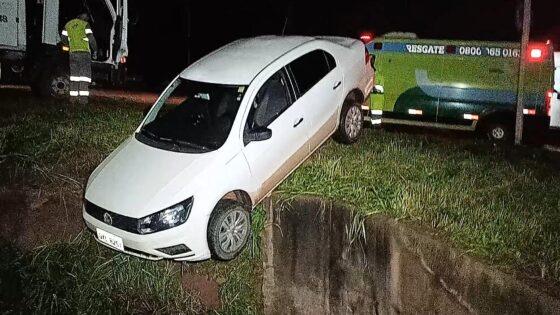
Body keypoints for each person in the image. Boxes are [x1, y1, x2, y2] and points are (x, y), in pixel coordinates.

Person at [61, 13, 97, 104]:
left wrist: (69, 45)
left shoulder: (68, 24)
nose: (87, 20)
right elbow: (91, 38)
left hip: (73, 53)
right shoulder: (85, 25)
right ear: (84, 18)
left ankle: (73, 99)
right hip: (84, 53)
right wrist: (95, 50)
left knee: (74, 77)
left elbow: (63, 39)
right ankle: (83, 100)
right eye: (87, 18)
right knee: (84, 77)